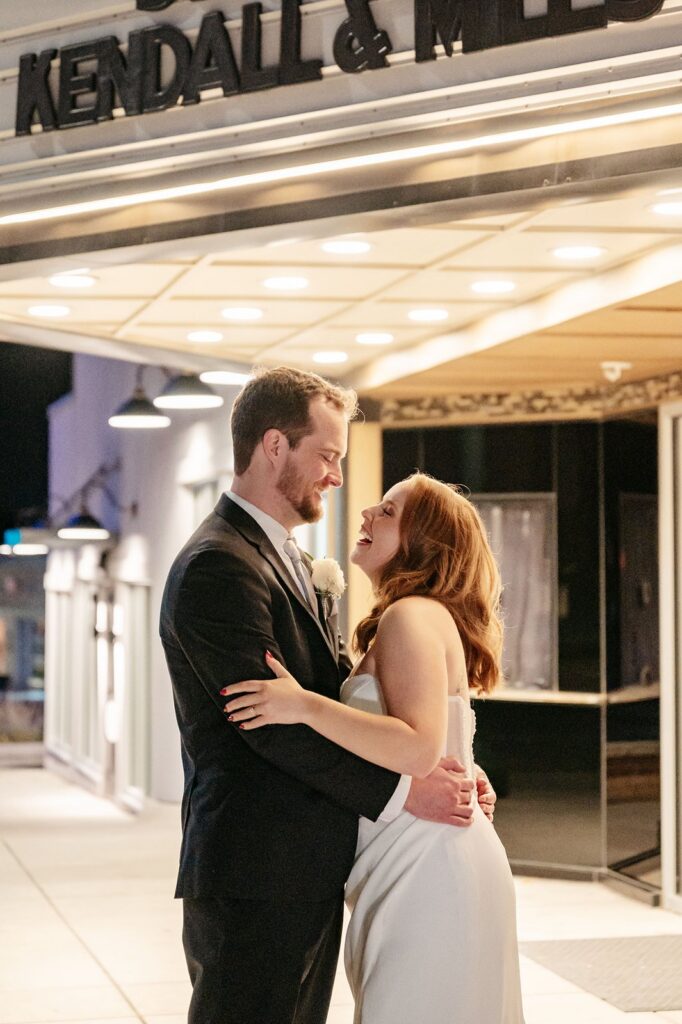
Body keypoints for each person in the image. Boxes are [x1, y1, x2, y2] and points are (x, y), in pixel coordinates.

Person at [159, 368, 496, 1024]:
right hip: (257, 870)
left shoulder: (283, 558)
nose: (338, 478)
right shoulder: (219, 564)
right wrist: (406, 789)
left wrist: (449, 758)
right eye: (329, 456)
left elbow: (353, 709)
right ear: (275, 446)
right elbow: (267, 723)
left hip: (308, 868)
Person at [223, 471, 526, 1024]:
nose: (366, 514)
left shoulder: (410, 616)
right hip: (418, 858)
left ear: (423, 541)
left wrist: (303, 705)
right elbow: (440, 736)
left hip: (429, 866)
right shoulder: (419, 615)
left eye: (388, 511)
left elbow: (416, 749)